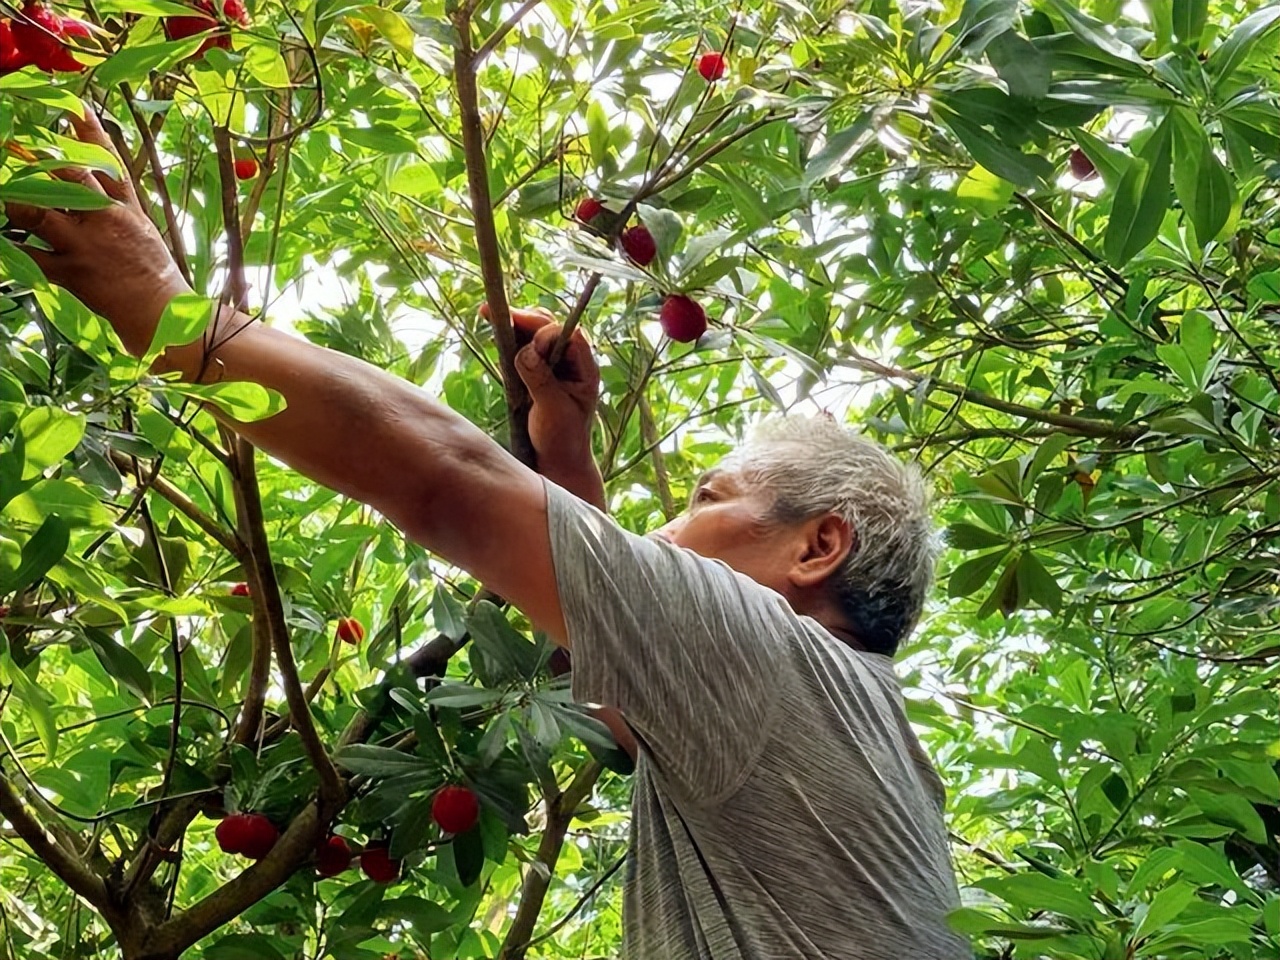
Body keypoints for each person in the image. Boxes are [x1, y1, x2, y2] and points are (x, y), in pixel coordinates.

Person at [7, 108, 971, 960]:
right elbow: (622, 698)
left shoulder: (772, 665)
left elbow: (446, 481)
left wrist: (162, 306)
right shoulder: (841, 741)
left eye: (707, 498)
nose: (667, 529)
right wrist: (567, 451)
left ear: (817, 547)